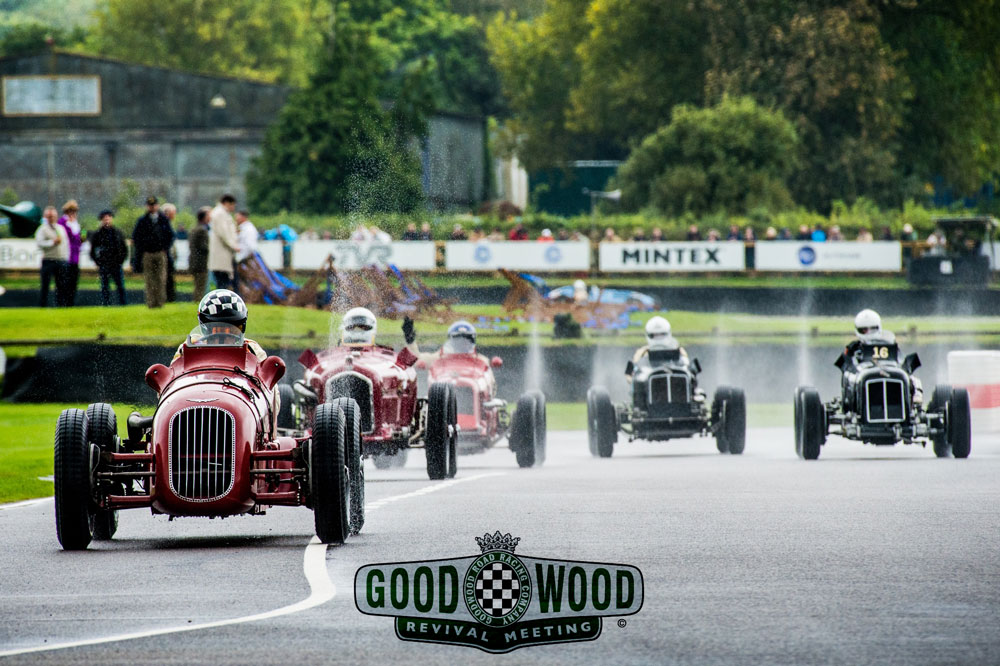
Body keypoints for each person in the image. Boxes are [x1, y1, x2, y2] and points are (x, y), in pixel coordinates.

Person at [132, 196, 175, 308]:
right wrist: (143, 249)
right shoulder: (142, 221)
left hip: (160, 253)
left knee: (161, 278)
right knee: (150, 279)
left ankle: (160, 302)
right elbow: (137, 238)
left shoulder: (163, 220)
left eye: (154, 205)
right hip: (148, 253)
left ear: (157, 205)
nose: (152, 207)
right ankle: (151, 303)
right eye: (150, 205)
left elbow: (170, 235)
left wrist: (165, 247)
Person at [404, 319, 490, 369]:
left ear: (472, 341)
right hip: (440, 399)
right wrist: (410, 341)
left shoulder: (482, 362)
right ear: (451, 341)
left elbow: (490, 388)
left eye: (467, 339)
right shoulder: (438, 358)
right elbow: (415, 360)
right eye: (458, 340)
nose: (462, 343)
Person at [626, 317, 688, 382]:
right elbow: (630, 375)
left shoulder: (679, 350)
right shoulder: (642, 352)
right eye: (655, 335)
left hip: (675, 382)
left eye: (661, 335)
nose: (658, 338)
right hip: (649, 382)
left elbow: (686, 367)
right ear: (649, 335)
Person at [89, 209, 128, 306]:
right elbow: (93, 250)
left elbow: (124, 248)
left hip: (116, 263)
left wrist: (121, 260)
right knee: (105, 287)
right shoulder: (98, 234)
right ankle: (106, 304)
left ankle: (123, 304)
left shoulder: (118, 232)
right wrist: (98, 262)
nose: (107, 220)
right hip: (104, 264)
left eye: (108, 218)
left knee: (120, 286)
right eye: (104, 218)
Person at [35, 205, 68, 307]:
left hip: (60, 260)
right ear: (46, 217)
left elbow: (65, 244)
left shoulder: (61, 228)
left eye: (53, 216)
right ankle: (43, 306)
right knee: (45, 286)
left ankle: (61, 306)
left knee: (61, 286)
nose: (51, 218)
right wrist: (52, 242)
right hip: (48, 260)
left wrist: (65, 258)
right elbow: (40, 243)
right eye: (49, 216)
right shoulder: (42, 229)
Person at [208, 193, 240, 291]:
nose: (233, 208)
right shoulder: (220, 213)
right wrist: (233, 246)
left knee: (225, 281)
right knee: (222, 282)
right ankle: (222, 303)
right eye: (232, 205)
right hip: (222, 253)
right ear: (226, 203)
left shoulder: (222, 213)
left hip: (224, 253)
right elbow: (223, 233)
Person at [56, 200, 83, 306]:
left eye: (74, 211)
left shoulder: (76, 224)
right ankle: (62, 303)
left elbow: (81, 238)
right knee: (63, 283)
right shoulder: (62, 223)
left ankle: (70, 303)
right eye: (70, 211)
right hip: (65, 256)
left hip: (75, 257)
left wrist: (83, 236)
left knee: (73, 282)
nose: (73, 213)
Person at [188, 207, 211, 301]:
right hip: (201, 262)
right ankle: (198, 303)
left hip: (194, 261)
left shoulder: (194, 228)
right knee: (200, 287)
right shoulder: (202, 230)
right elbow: (204, 247)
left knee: (198, 285)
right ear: (204, 217)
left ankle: (197, 301)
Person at [161, 203, 180, 302]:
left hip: (168, 256)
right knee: (166, 278)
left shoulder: (167, 224)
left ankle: (169, 298)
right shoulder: (163, 224)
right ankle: (167, 299)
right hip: (165, 256)